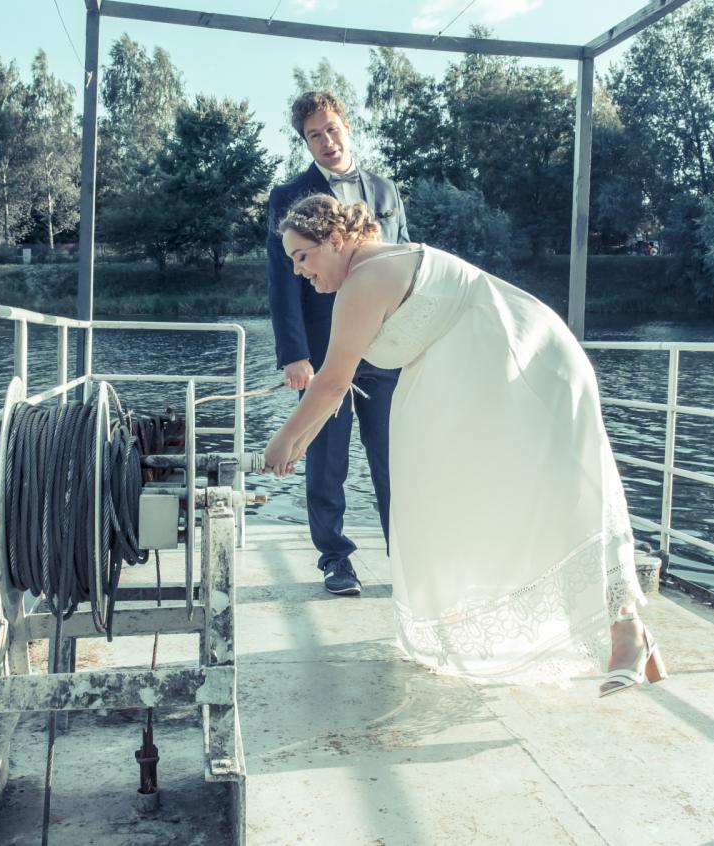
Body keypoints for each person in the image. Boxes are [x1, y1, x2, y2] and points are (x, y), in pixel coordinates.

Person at [262, 194, 666, 694]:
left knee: (565, 495)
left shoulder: (363, 280)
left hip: (528, 367)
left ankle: (626, 632)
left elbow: (331, 382)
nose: (300, 272)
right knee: (484, 501)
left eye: (303, 257)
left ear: (338, 241)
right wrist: (298, 439)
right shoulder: (376, 265)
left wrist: (282, 443)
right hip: (502, 377)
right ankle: (627, 633)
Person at [267, 91, 410, 597]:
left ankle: (408, 557)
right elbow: (284, 279)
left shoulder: (386, 190)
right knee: (326, 459)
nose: (326, 142)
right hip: (324, 349)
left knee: (394, 457)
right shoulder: (287, 195)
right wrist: (294, 354)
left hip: (387, 348)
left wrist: (410, 344)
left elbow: (402, 263)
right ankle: (335, 559)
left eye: (332, 129)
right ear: (304, 142)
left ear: (347, 126)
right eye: (314, 135)